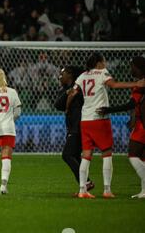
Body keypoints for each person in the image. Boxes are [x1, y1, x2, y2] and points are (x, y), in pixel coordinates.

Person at [66, 53, 145, 199]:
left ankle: (83, 190)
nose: (105, 63)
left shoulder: (82, 76)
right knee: (107, 153)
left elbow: (71, 94)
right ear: (99, 63)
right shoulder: (102, 72)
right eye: (104, 61)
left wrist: (67, 109)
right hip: (100, 119)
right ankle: (107, 190)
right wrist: (136, 84)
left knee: (86, 155)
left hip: (86, 120)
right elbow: (114, 85)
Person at [97, 56, 145, 198]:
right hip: (139, 122)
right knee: (142, 157)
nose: (131, 69)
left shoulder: (141, 85)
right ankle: (143, 191)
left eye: (132, 66)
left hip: (142, 125)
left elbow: (131, 104)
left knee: (133, 154)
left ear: (139, 67)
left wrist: (109, 110)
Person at [55, 66, 95, 195]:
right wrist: (67, 93)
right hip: (73, 126)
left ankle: (86, 183)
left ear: (70, 75)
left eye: (62, 74)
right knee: (75, 156)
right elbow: (58, 105)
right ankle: (83, 188)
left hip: (79, 126)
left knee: (67, 155)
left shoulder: (80, 89)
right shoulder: (67, 90)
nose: (59, 76)